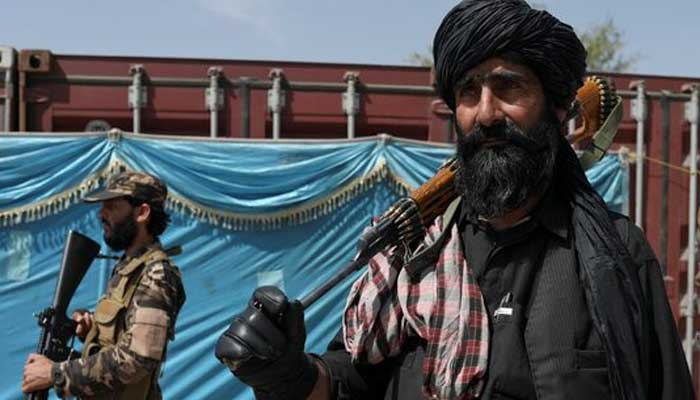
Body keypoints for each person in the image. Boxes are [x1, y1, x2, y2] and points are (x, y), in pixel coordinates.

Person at [215, 1, 695, 399]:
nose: (486, 113)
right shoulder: (413, 252)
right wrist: (291, 375)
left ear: (556, 107)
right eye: (468, 92)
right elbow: (356, 380)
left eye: (508, 87)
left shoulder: (615, 256)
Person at [22, 171, 186, 400]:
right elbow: (122, 338)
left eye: (112, 206)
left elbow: (138, 359)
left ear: (142, 212)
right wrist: (92, 330)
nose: (101, 214)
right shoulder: (129, 268)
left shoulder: (156, 275)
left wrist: (56, 374)